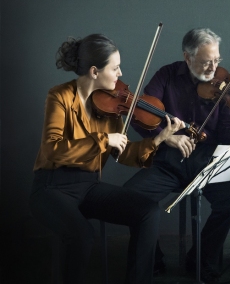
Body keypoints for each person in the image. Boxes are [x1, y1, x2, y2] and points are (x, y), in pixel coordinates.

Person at [29, 34, 185, 284]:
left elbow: (123, 153)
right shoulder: (60, 96)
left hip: (89, 184)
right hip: (52, 186)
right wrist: (103, 140)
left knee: (148, 211)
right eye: (115, 68)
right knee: (82, 235)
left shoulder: (110, 104)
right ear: (94, 71)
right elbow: (52, 149)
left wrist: (158, 139)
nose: (120, 73)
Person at [123, 27, 230, 283]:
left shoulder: (223, 87)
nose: (213, 68)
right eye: (205, 61)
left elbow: (226, 134)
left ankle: (201, 258)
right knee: (131, 197)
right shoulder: (166, 75)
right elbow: (141, 114)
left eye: (217, 60)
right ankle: (151, 260)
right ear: (187, 58)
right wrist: (166, 135)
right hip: (168, 161)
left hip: (206, 163)